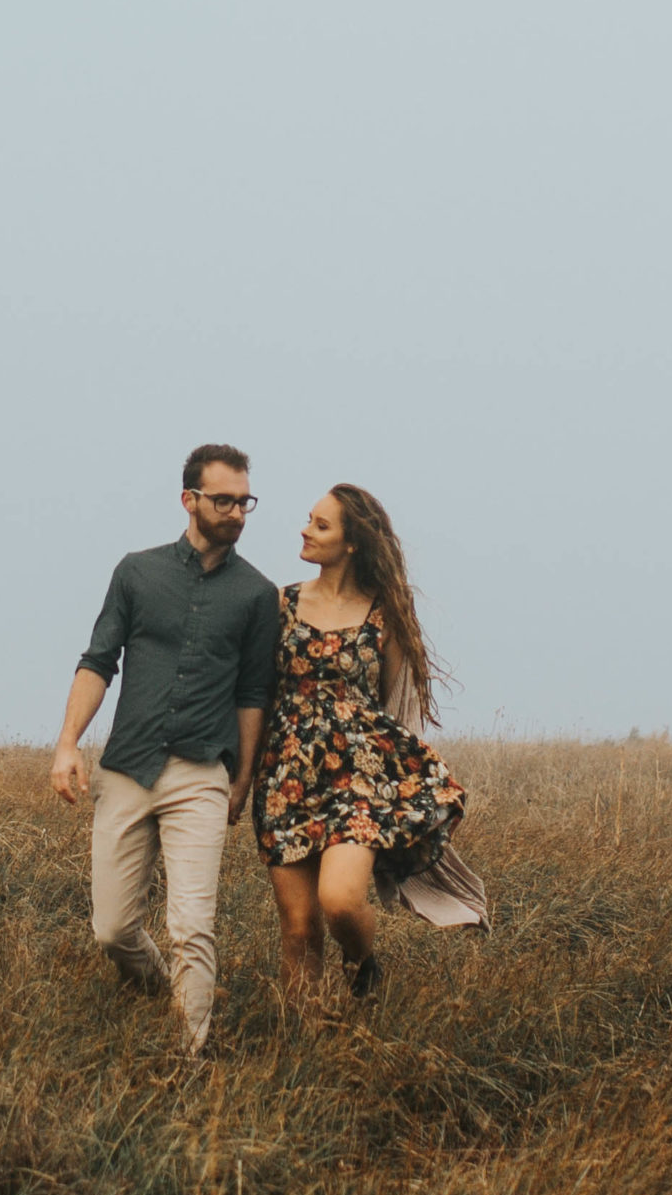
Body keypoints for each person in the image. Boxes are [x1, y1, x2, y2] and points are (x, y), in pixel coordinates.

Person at [51, 445, 280, 1052]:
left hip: (202, 772)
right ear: (190, 500)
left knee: (192, 927)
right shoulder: (136, 572)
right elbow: (98, 661)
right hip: (127, 767)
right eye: (224, 500)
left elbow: (254, 694)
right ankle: (163, 997)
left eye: (244, 501)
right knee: (113, 929)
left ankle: (188, 1056)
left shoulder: (258, 596)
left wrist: (243, 779)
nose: (236, 512)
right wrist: (68, 743)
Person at [254, 484, 487, 999]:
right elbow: (258, 696)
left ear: (352, 542)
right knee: (299, 930)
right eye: (308, 520)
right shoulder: (281, 605)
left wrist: (400, 788)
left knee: (339, 901)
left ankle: (363, 965)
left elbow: (397, 709)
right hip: (285, 777)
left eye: (320, 524)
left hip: (357, 779)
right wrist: (242, 774)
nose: (305, 530)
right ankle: (305, 1045)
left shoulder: (385, 615)